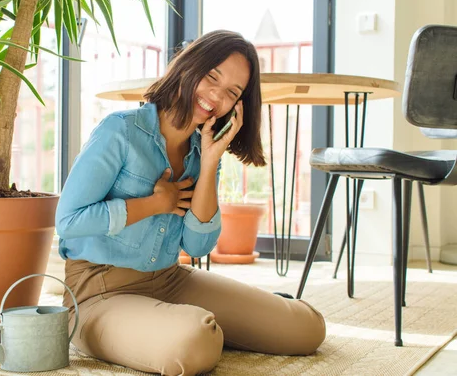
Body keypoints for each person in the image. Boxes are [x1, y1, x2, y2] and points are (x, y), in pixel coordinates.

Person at [56, 30, 326, 376]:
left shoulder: (203, 151)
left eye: (232, 92)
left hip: (169, 280)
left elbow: (198, 244)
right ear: (189, 66)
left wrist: (211, 161)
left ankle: (191, 321)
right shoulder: (120, 131)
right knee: (193, 343)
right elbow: (68, 221)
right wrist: (154, 204)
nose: (216, 95)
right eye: (212, 76)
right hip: (99, 292)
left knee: (306, 329)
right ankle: (180, 325)